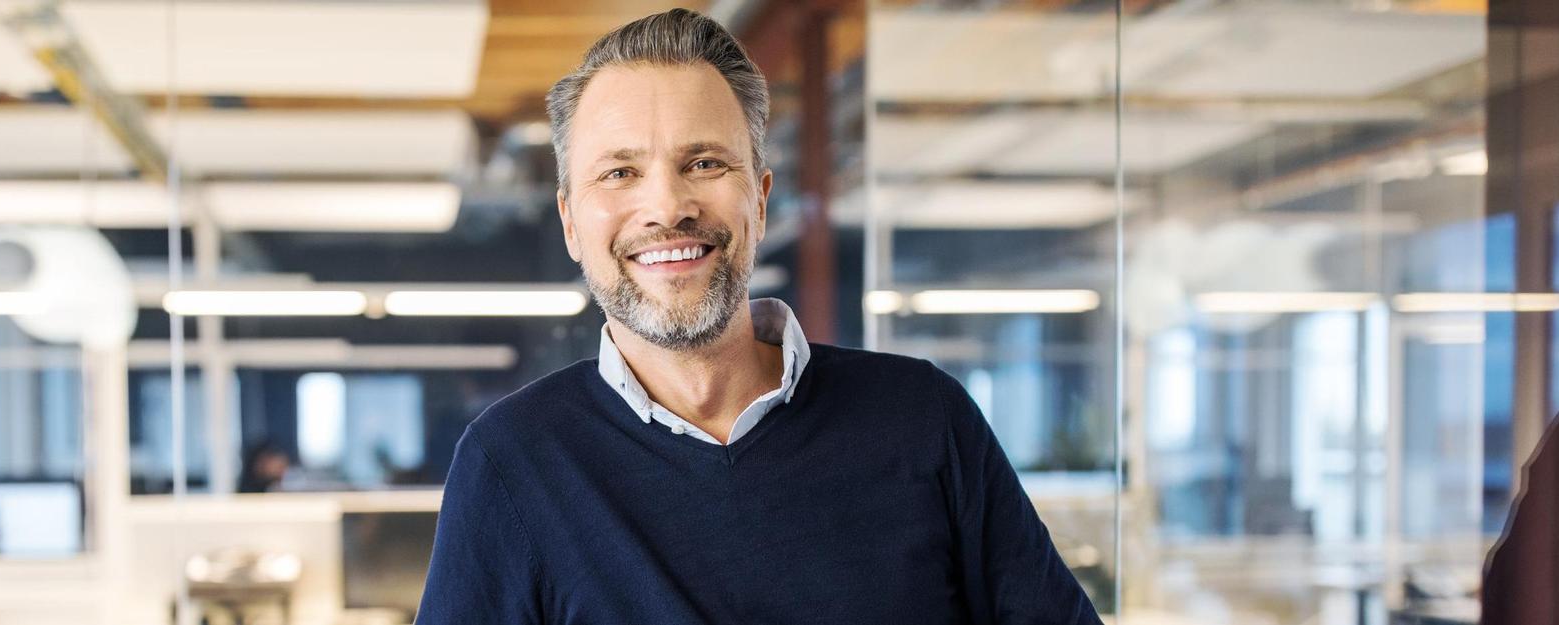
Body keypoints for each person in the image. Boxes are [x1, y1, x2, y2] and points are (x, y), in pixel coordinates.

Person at [416, 8, 1101, 624]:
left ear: (761, 198)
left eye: (705, 161)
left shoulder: (924, 418)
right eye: (619, 173)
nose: (667, 206)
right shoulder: (511, 462)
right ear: (570, 221)